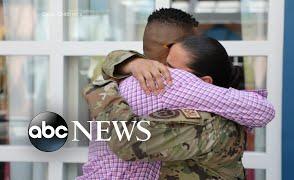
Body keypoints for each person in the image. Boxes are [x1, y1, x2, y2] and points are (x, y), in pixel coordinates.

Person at [80, 8, 275, 179]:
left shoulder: (211, 120)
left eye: (171, 66)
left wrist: (100, 90)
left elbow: (127, 141)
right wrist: (131, 63)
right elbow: (112, 64)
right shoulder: (163, 86)